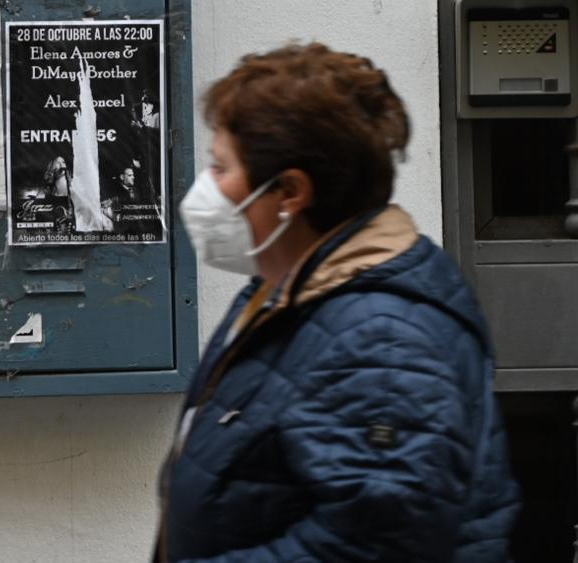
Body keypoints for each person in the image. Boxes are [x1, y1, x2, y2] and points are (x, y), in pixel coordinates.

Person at [156, 43, 518, 561]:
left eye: (221, 167)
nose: (205, 188)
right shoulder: (284, 293)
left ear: (290, 192)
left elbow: (374, 546)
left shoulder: (383, 339)